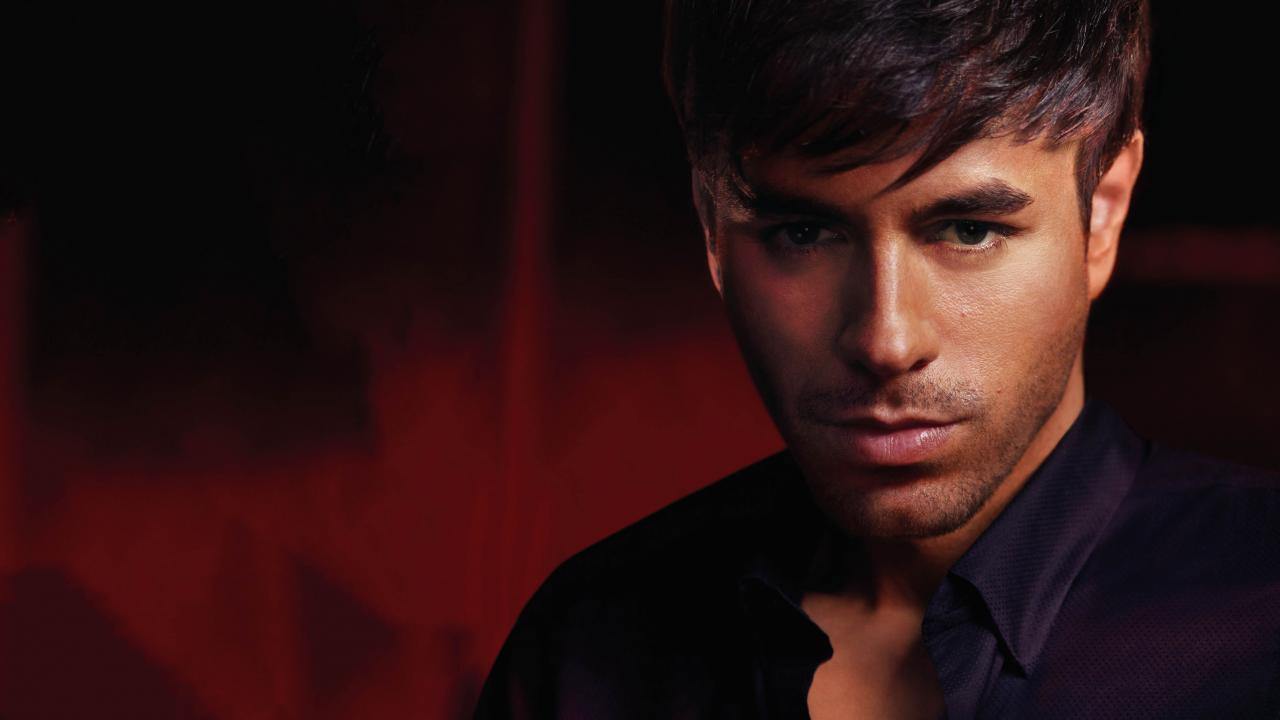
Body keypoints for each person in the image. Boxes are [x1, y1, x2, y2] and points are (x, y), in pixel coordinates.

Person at [474, 0, 1280, 717]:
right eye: (803, 233)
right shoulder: (586, 655)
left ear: (1101, 213)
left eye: (968, 230)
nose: (886, 341)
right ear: (712, 230)